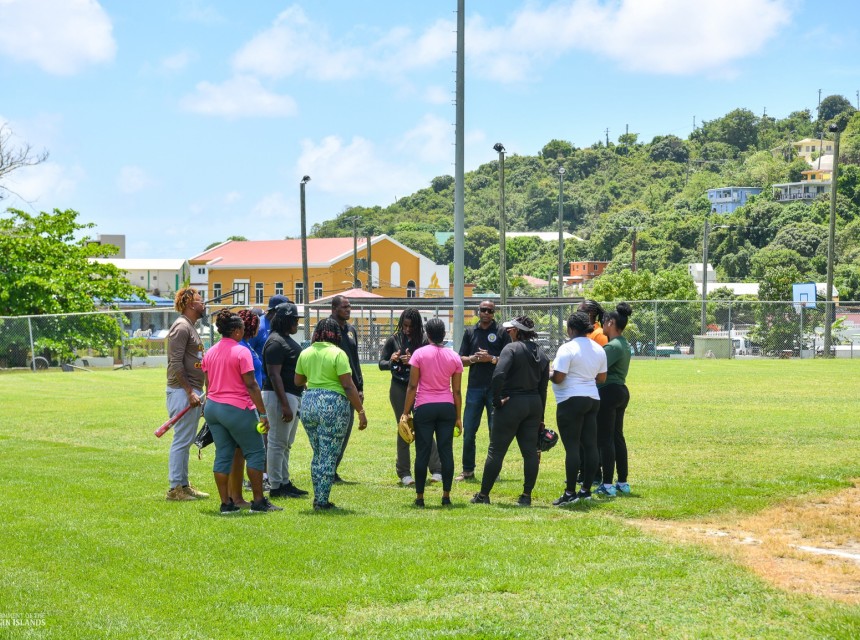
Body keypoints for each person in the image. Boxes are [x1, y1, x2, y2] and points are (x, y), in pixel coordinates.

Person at [202, 310, 281, 514]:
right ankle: (258, 501)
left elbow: (208, 384)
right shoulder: (241, 351)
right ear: (237, 331)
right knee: (255, 452)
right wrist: (263, 414)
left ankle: (226, 504)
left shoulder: (210, 351)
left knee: (223, 454)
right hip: (237, 407)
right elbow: (252, 385)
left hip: (213, 407)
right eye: (243, 329)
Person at [470, 316, 549, 507]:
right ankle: (526, 496)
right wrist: (540, 416)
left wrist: (496, 400)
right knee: (530, 452)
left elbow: (498, 375)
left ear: (518, 331)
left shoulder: (511, 349)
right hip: (534, 404)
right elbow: (544, 388)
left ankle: (483, 495)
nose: (508, 331)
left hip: (512, 403)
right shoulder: (543, 354)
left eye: (511, 329)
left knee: (496, 451)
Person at [295, 318, 367, 510]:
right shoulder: (338, 353)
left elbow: (298, 380)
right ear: (335, 334)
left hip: (309, 402)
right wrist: (360, 410)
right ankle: (322, 501)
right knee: (329, 454)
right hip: (333, 404)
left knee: (318, 453)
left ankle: (318, 496)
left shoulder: (306, 353)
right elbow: (348, 385)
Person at [401, 318, 463, 507]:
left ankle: (420, 498)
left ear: (427, 334)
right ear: (444, 335)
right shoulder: (454, 357)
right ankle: (446, 496)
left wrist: (405, 412)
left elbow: (412, 386)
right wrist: (459, 417)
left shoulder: (419, 354)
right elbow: (458, 391)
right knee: (446, 452)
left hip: (424, 407)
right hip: (446, 407)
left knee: (422, 452)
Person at [379, 309, 443, 486]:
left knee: (424, 427)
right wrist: (392, 360)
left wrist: (413, 361)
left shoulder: (423, 340)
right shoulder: (394, 339)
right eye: (404, 326)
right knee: (404, 426)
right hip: (399, 388)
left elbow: (431, 363)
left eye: (411, 326)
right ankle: (404, 473)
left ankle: (437, 469)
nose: (407, 330)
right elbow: (381, 364)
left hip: (420, 388)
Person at [550, 312, 608, 507]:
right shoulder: (598, 348)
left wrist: (548, 373)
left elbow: (558, 377)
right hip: (592, 399)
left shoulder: (567, 348)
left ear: (571, 329)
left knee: (572, 447)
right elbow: (601, 378)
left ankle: (570, 493)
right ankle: (586, 490)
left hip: (570, 399)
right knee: (590, 446)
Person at [455, 300, 510, 481]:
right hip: (475, 388)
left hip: (496, 389)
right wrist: (474, 359)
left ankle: (494, 471)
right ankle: (468, 470)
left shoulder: (501, 332)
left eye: (490, 311)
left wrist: (491, 359)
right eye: (483, 310)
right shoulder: (470, 332)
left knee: (495, 431)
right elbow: (460, 359)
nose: (486, 313)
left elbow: (508, 359)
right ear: (478, 312)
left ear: (494, 313)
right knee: (469, 430)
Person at [164, 287, 209, 501]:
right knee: (182, 439)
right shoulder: (181, 327)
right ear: (191, 305)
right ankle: (175, 489)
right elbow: (175, 363)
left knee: (187, 438)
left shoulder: (190, 326)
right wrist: (190, 392)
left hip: (191, 391)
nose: (204, 305)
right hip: (182, 392)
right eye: (201, 301)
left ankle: (183, 484)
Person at [263, 302, 308, 499]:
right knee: (276, 442)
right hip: (279, 396)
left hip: (291, 395)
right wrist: (284, 404)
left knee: (285, 443)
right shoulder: (275, 342)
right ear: (284, 320)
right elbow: (274, 375)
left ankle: (284, 481)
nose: (296, 324)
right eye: (294, 320)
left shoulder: (283, 339)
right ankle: (275, 485)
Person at [597, 303, 633, 497]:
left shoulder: (612, 346)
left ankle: (607, 485)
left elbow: (596, 367)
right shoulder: (625, 344)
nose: (602, 325)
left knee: (606, 439)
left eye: (604, 321)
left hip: (608, 392)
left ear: (611, 323)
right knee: (617, 437)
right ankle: (622, 482)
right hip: (621, 391)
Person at [330, 295, 363, 482]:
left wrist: (360, 386)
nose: (348, 310)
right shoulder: (327, 329)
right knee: (334, 431)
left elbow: (355, 360)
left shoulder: (350, 330)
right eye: (344, 307)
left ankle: (333, 469)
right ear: (334, 309)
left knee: (346, 429)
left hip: (351, 386)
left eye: (350, 306)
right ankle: (328, 468)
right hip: (334, 386)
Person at [249, 294, 291, 374]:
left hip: (278, 375)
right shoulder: (258, 326)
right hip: (262, 378)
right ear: (276, 310)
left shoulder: (282, 324)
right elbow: (248, 352)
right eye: (285, 309)